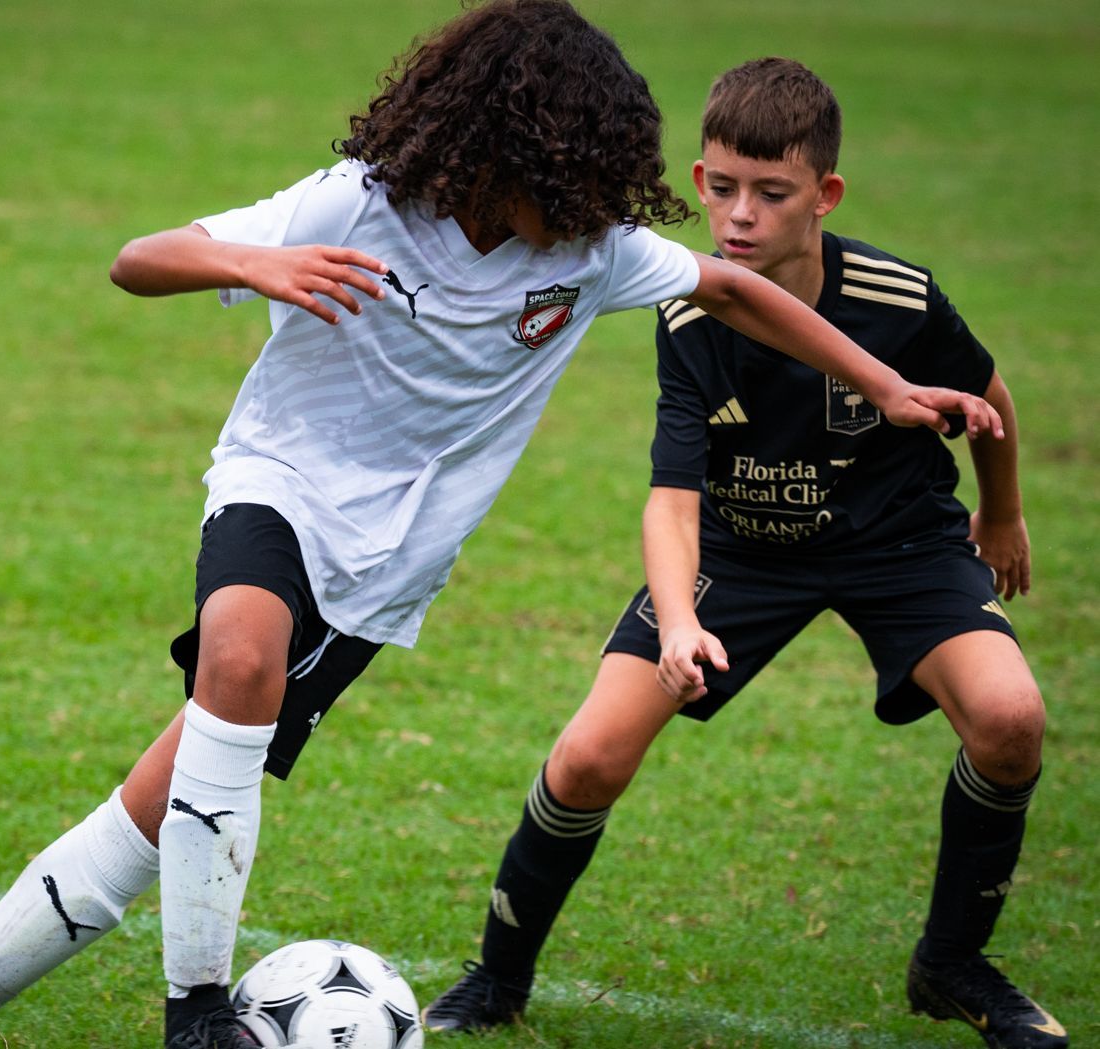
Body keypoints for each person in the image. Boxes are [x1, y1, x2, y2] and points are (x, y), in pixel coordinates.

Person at [0, 12, 1001, 1048]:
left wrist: (886, 386)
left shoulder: (590, 251)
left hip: (381, 571)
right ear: (501, 146)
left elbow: (739, 293)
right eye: (565, 167)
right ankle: (196, 1015)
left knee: (158, 807)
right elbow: (136, 258)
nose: (584, 195)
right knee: (236, 652)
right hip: (278, 481)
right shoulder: (357, 199)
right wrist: (254, 259)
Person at [420, 56, 1063, 1049]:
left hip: (896, 542)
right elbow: (671, 498)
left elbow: (986, 397)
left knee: (1010, 716)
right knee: (587, 755)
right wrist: (677, 621)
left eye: (769, 193)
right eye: (718, 188)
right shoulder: (686, 312)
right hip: (740, 550)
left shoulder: (897, 299)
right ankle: (495, 977)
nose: (736, 216)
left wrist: (1004, 514)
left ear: (824, 194)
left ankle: (950, 964)